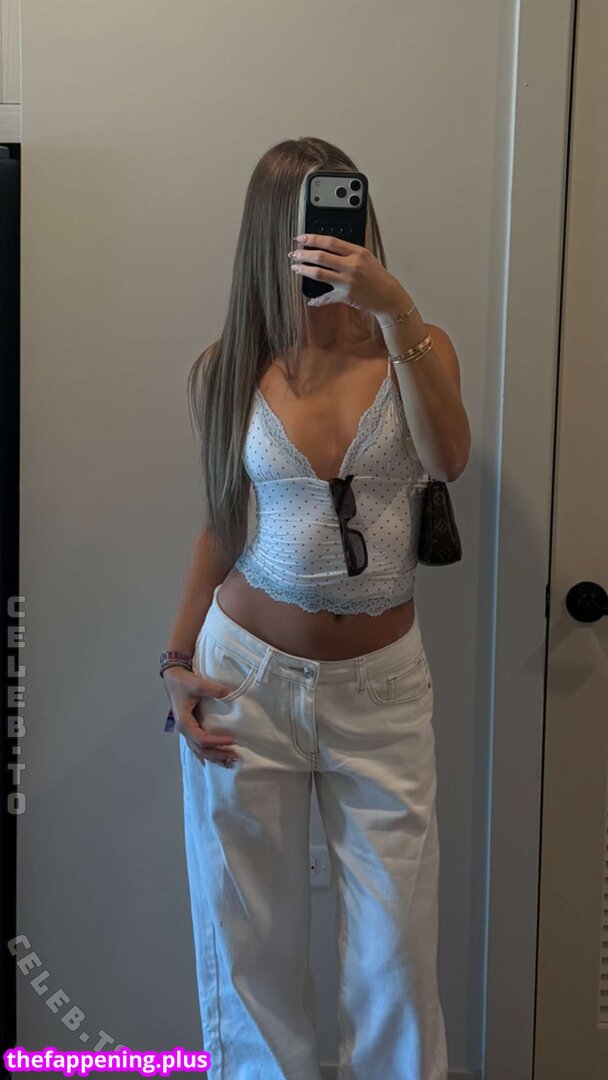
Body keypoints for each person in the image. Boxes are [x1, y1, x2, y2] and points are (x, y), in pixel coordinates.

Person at [161, 136, 471, 1080]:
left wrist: (396, 309)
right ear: (272, 235)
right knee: (248, 940)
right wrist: (175, 661)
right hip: (244, 677)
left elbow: (448, 460)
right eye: (308, 219)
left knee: (395, 954)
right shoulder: (230, 367)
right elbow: (221, 523)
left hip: (382, 691)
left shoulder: (416, 345)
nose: (331, 235)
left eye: (344, 212)